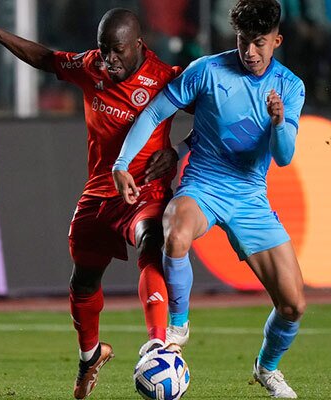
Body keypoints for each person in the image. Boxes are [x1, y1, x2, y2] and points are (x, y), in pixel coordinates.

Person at [0, 8, 180, 399]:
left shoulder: (165, 79)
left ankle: (158, 345)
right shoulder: (92, 66)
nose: (109, 60)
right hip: (100, 191)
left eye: (117, 51)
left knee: (152, 241)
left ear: (138, 45)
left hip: (145, 191)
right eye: (104, 50)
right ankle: (90, 356)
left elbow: (212, 112)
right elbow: (45, 58)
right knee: (83, 279)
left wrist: (178, 151)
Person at [112, 0, 305, 398]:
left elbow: (284, 158)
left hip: (250, 196)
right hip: (204, 185)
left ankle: (266, 369)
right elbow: (152, 113)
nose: (250, 52)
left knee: (292, 306)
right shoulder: (207, 70)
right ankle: (178, 326)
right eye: (242, 41)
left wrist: (279, 122)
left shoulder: (289, 86)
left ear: (277, 41)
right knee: (175, 234)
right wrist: (123, 162)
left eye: (259, 43)